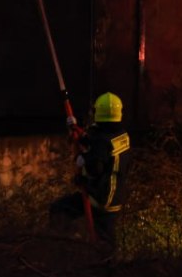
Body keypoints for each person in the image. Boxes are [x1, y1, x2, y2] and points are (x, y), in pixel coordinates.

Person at [49, 91, 131, 249]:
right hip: (113, 198)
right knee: (105, 242)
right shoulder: (120, 134)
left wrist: (84, 163)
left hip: (99, 199)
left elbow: (96, 167)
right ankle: (107, 268)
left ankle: (65, 246)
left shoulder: (102, 140)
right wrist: (76, 129)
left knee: (59, 210)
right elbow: (99, 143)